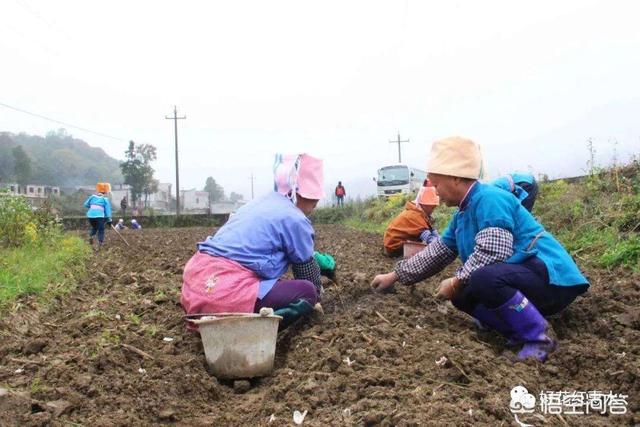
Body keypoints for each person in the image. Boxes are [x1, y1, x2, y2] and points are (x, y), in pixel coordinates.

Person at [371, 137, 589, 362]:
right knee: (462, 296)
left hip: (552, 281)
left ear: (455, 177)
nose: (436, 193)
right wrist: (395, 275)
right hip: (525, 280)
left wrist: (455, 280)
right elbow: (437, 252)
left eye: (436, 185)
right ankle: (514, 331)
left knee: (481, 278)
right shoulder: (462, 215)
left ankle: (539, 338)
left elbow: (493, 253)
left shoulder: (490, 199)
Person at [181, 153, 325, 328]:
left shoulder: (259, 203)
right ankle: (256, 329)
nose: (315, 204)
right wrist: (316, 298)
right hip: (227, 294)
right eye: (314, 198)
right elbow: (307, 274)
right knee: (306, 292)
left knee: (271, 286)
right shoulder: (295, 219)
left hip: (195, 288)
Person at [382, 186, 440, 257]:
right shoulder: (414, 216)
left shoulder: (419, 213)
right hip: (394, 247)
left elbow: (433, 232)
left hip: (394, 245)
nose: (433, 210)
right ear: (424, 205)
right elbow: (429, 238)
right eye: (432, 207)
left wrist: (442, 241)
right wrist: (441, 247)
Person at [83, 182, 112, 248]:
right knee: (101, 229)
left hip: (90, 216)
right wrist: (109, 220)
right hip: (99, 216)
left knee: (95, 227)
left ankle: (91, 236)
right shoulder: (105, 199)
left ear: (98, 191)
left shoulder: (92, 197)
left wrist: (92, 208)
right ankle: (100, 243)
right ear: (105, 192)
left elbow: (86, 204)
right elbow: (107, 211)